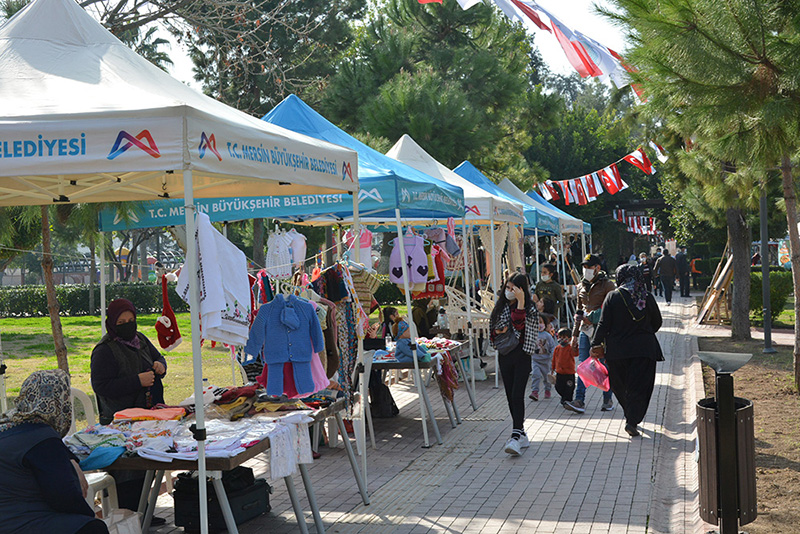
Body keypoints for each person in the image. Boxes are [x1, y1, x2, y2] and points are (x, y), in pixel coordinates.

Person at [0, 370, 110, 534]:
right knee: (93, 528)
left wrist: (69, 458)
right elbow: (63, 496)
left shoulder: (9, 425)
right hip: (21, 522)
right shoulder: (42, 438)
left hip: (11, 516)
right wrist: (89, 516)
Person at [90, 298, 168, 520]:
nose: (127, 325)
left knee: (146, 468)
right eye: (122, 321)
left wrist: (161, 365)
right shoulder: (105, 351)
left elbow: (158, 357)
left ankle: (142, 513)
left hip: (147, 417)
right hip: (119, 423)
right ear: (112, 323)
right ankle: (129, 519)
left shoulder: (140, 339)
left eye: (131, 320)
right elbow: (101, 386)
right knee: (128, 473)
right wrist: (137, 381)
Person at [591, 264, 664, 437]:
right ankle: (632, 419)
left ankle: (630, 416)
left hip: (617, 352)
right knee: (640, 386)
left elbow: (603, 323)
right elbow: (657, 322)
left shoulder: (612, 297)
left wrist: (596, 343)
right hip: (644, 350)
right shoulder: (647, 297)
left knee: (620, 386)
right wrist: (643, 332)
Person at [489, 272, 540, 456]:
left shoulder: (531, 308)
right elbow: (495, 328)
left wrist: (520, 304)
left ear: (522, 290)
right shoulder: (500, 306)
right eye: (508, 287)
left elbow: (520, 328)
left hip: (522, 355)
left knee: (518, 394)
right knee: (510, 395)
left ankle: (515, 435)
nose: (509, 291)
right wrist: (502, 329)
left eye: (514, 289)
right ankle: (521, 433)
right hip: (505, 354)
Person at [564, 254, 616, 414]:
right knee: (582, 365)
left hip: (602, 331)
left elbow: (611, 309)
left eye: (589, 267)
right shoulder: (581, 286)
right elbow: (579, 312)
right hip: (584, 332)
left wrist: (592, 318)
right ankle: (579, 400)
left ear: (597, 268)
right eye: (584, 267)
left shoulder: (607, 285)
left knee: (603, 365)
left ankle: (608, 398)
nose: (586, 270)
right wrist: (574, 334)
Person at [529, 315, 555, 401]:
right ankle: (534, 391)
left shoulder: (547, 335)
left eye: (540, 322)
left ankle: (547, 389)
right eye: (536, 323)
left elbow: (552, 346)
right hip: (535, 360)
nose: (539, 325)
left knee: (546, 377)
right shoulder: (532, 335)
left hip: (546, 360)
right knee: (535, 375)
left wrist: (552, 356)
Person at [552, 328, 578, 407]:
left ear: (569, 339)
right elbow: (554, 359)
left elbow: (575, 354)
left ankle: (568, 400)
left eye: (564, 337)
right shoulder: (557, 348)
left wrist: (575, 346)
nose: (561, 339)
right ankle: (564, 397)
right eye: (560, 337)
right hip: (559, 372)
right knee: (558, 386)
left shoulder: (570, 348)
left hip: (569, 373)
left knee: (569, 387)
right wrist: (553, 368)